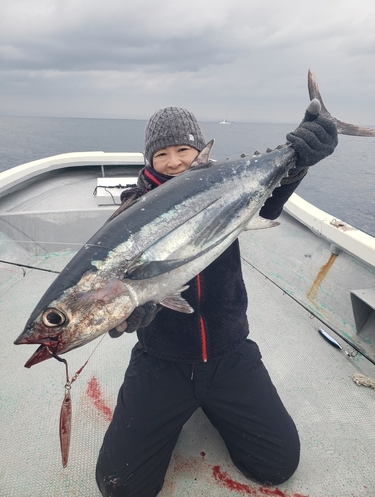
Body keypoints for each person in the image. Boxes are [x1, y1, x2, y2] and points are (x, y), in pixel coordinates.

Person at [96, 105, 338, 496]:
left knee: (277, 465)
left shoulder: (222, 186)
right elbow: (107, 288)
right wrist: (128, 313)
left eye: (183, 151)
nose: (173, 162)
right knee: (121, 488)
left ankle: (211, 403)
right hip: (162, 362)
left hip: (230, 353)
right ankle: (186, 405)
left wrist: (299, 162)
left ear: (200, 152)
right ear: (149, 160)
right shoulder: (132, 213)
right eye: (161, 154)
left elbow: (266, 202)